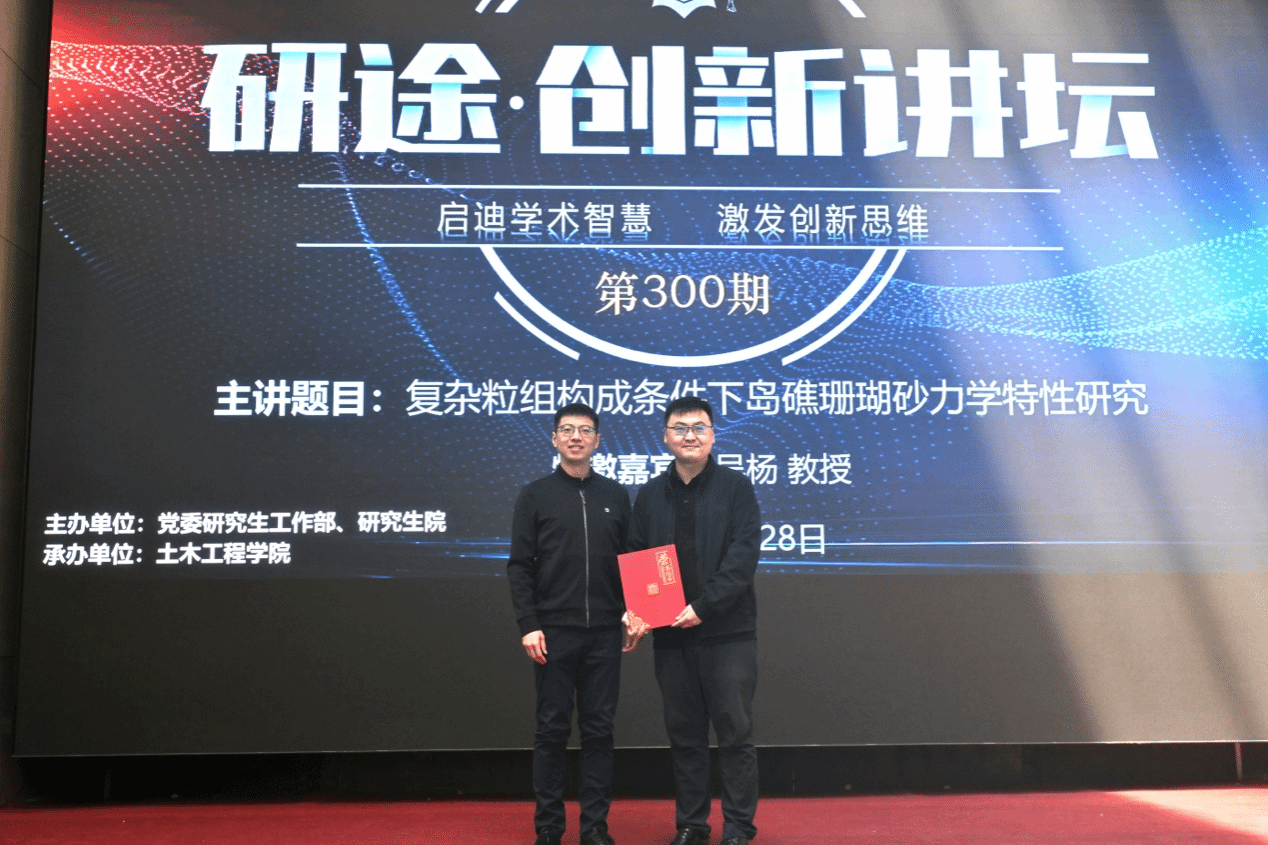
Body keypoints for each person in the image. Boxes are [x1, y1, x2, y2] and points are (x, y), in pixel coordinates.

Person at [507, 402, 648, 845]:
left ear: (597, 441)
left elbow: (632, 558)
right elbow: (519, 565)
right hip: (553, 633)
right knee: (551, 730)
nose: (575, 437)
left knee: (599, 731)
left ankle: (595, 828)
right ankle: (549, 827)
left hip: (604, 633)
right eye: (566, 430)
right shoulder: (535, 495)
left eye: (585, 430)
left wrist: (637, 610)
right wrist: (529, 623)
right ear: (554, 439)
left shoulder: (616, 495)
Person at [629, 396, 762, 845]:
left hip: (727, 633)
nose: (690, 435)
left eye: (699, 427)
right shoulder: (650, 494)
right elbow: (637, 555)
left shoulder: (736, 488)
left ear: (713, 435)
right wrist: (640, 611)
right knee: (685, 736)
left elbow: (742, 558)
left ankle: (738, 827)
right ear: (665, 436)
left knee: (735, 734)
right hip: (671, 635)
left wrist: (703, 606)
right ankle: (691, 825)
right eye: (680, 428)